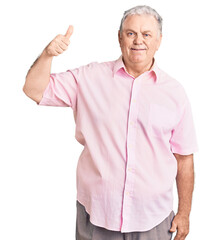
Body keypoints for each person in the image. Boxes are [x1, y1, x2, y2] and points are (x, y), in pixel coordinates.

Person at [23, 5, 198, 240]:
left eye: (146, 34)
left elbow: (184, 158)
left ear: (159, 41)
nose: (138, 41)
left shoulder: (175, 93)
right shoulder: (88, 78)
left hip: (154, 219)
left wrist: (185, 213)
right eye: (130, 33)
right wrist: (47, 55)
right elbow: (33, 90)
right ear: (119, 37)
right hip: (97, 216)